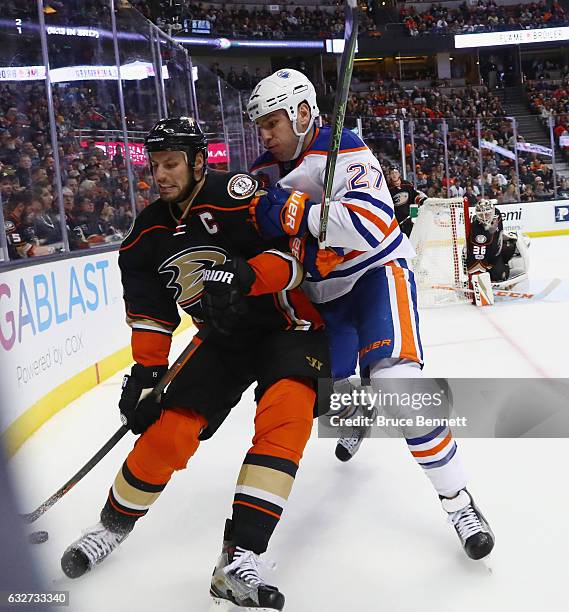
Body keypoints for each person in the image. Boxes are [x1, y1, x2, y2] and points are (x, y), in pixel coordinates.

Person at [60, 117, 330, 611]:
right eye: (155, 166)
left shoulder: (240, 194)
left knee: (284, 419)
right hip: (223, 338)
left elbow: (300, 257)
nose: (160, 175)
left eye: (170, 165)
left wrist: (246, 276)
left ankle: (240, 555)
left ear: (198, 162)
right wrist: (145, 377)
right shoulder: (147, 234)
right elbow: (152, 316)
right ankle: (111, 526)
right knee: (169, 431)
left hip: (287, 324)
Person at [247, 69, 494, 560]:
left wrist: (300, 214)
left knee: (397, 384)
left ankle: (459, 501)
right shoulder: (261, 171)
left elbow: (372, 221)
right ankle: (355, 411)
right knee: (336, 391)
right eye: (261, 127)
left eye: (273, 122)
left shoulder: (344, 147)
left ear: (302, 113)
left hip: (376, 275)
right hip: (322, 297)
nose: (266, 135)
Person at [466, 198, 528, 283]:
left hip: (497, 251)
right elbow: (477, 259)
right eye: (481, 215)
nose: (484, 218)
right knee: (498, 276)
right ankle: (497, 273)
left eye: (487, 214)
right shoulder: (477, 231)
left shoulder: (497, 214)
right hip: (487, 260)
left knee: (512, 244)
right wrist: (478, 278)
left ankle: (504, 265)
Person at [386, 166, 427, 237]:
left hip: (410, 217)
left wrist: (421, 201)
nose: (394, 175)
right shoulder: (388, 189)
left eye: (396, 172)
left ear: (399, 174)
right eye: (392, 173)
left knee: (415, 237)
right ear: (389, 175)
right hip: (398, 221)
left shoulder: (407, 184)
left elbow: (414, 197)